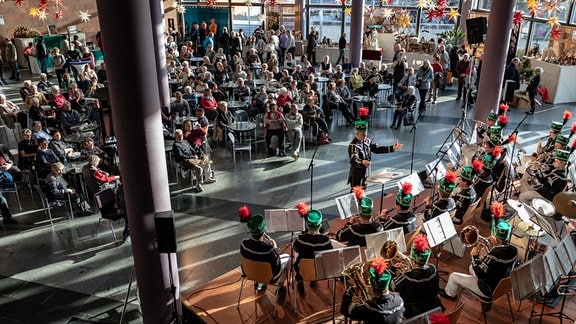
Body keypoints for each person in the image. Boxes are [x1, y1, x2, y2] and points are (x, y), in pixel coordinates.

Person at [441, 203, 518, 312]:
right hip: (500, 285)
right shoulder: (514, 250)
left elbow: (479, 273)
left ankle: (450, 294)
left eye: (493, 237)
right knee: (472, 267)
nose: (490, 238)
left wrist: (475, 256)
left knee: (454, 276)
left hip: (486, 288)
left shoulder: (494, 255)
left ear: (496, 240)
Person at [341, 257, 405, 323]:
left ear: (373, 287)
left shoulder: (368, 308)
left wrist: (351, 290)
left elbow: (344, 308)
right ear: (388, 285)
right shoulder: (399, 301)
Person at [240, 214, 290, 297]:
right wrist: (275, 248)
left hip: (249, 273)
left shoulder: (243, 243)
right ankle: (280, 287)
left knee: (258, 262)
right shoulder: (269, 249)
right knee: (288, 258)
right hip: (269, 277)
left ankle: (259, 284)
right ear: (263, 231)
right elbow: (277, 264)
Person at [394, 233, 441, 319]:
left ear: (414, 262)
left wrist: (393, 270)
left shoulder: (407, 277)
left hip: (413, 311)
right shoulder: (433, 269)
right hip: (433, 305)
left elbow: (393, 285)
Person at [348, 120, 403, 189]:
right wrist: (362, 162)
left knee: (364, 189)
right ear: (357, 133)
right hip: (357, 173)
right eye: (362, 134)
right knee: (356, 191)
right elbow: (353, 159)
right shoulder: (353, 145)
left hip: (366, 171)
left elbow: (377, 149)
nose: (365, 136)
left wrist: (392, 147)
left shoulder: (367, 141)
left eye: (366, 134)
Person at [293, 209, 332, 295]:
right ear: (320, 226)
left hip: (302, 270)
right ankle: (313, 279)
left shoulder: (300, 239)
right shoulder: (326, 240)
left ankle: (300, 281)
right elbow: (329, 254)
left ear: (307, 225)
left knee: (298, 257)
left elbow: (295, 248)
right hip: (320, 270)